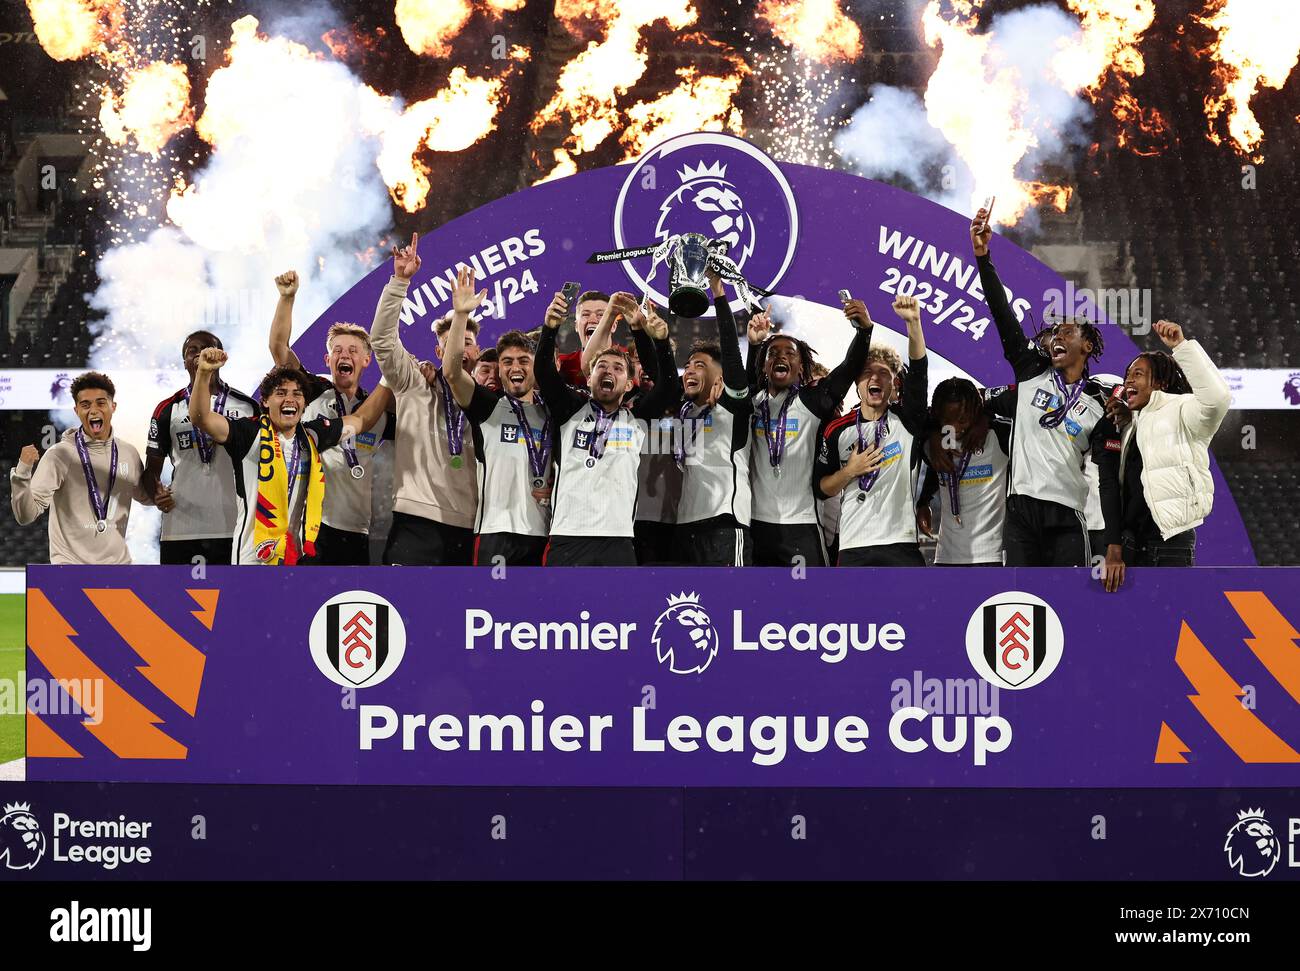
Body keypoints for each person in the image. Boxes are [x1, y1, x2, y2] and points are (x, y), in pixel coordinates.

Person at [969, 206, 1116, 566]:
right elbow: (1002, 314)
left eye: (1068, 332)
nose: (1057, 337)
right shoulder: (1030, 370)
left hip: (1067, 516)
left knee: (1068, 605)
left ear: (1088, 346)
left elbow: (1110, 478)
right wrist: (983, 258)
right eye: (1054, 333)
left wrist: (1113, 544)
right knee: (1018, 602)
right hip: (1019, 513)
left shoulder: (1100, 403)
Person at [189, 348, 384, 565]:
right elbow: (201, 417)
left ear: (305, 404)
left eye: (297, 394)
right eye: (281, 393)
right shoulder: (248, 433)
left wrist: (389, 378)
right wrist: (204, 373)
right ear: (265, 401)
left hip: (295, 559)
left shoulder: (313, 436)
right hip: (252, 559)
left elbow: (361, 419)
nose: (290, 399)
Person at [535, 289, 680, 566]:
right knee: (557, 611)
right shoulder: (571, 410)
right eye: (601, 366)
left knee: (619, 611)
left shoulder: (636, 418)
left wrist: (657, 340)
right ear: (588, 379)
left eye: (617, 368)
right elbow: (544, 372)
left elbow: (669, 388)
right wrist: (549, 328)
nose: (608, 371)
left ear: (628, 385)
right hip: (568, 536)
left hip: (619, 539)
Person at [268, 269, 397, 565]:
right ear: (328, 360)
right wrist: (287, 298)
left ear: (366, 360)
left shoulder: (377, 407)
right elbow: (278, 348)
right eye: (337, 350)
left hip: (358, 528)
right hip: (312, 527)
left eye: (353, 350)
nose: (344, 355)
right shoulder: (312, 391)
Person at [369, 233, 481, 565]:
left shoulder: (486, 400)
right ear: (437, 351)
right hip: (416, 521)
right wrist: (400, 282)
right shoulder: (413, 382)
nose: (458, 348)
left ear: (476, 350)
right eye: (450, 343)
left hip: (468, 525)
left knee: (453, 617)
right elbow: (383, 341)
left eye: (466, 341)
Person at [1095, 320, 1230, 590]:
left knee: (1171, 627)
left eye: (1138, 374)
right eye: (1128, 374)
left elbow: (1217, 399)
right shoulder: (1130, 423)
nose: (1128, 380)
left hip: (1170, 542)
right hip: (1131, 543)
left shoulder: (1183, 410)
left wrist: (1181, 347)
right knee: (1134, 628)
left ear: (1159, 382)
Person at [439, 266, 554, 566]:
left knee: (535, 613)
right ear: (500, 369)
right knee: (493, 606)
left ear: (534, 366)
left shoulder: (553, 411)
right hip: (495, 532)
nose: (515, 367)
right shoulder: (488, 406)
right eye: (507, 362)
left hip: (543, 531)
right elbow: (451, 373)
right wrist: (460, 315)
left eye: (523, 361)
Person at [748, 297, 873, 566]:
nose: (780, 356)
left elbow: (848, 369)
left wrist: (864, 332)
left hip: (801, 528)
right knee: (753, 605)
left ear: (801, 367)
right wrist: (755, 344)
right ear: (764, 366)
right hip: (756, 526)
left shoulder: (811, 402)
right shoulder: (752, 404)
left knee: (809, 605)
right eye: (773, 353)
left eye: (790, 353)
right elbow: (740, 382)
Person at [816, 295, 929, 566]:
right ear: (857, 383)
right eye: (867, 372)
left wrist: (913, 323)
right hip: (854, 544)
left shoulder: (907, 421)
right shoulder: (837, 430)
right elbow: (822, 489)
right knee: (854, 611)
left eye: (884, 373)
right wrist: (849, 472)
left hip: (900, 543)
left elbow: (919, 372)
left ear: (895, 385)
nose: (875, 377)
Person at [13, 372, 167, 564]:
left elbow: (146, 496)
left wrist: (167, 494)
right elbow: (25, 515)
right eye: (85, 405)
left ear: (113, 406)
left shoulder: (128, 453)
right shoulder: (59, 455)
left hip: (118, 570)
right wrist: (22, 473)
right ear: (76, 410)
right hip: (70, 569)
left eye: (101, 403)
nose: (93, 410)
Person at [144, 330, 259, 566]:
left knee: (235, 600)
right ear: (184, 361)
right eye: (191, 351)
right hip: (181, 527)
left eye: (206, 349)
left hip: (236, 526)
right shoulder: (167, 409)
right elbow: (151, 469)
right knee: (176, 600)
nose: (199, 355)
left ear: (220, 356)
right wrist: (156, 492)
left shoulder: (248, 406)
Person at [675, 271, 754, 566]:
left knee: (730, 605)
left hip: (725, 523)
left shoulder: (734, 408)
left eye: (700, 364)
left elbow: (732, 355)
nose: (690, 370)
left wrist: (718, 294)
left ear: (720, 377)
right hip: (685, 524)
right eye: (687, 365)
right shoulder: (684, 413)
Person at [915, 378, 1011, 566]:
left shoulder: (997, 435)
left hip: (990, 556)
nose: (955, 427)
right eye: (947, 420)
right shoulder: (933, 445)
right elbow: (916, 419)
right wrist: (923, 502)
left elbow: (1021, 409)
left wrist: (986, 417)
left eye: (962, 420)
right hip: (946, 556)